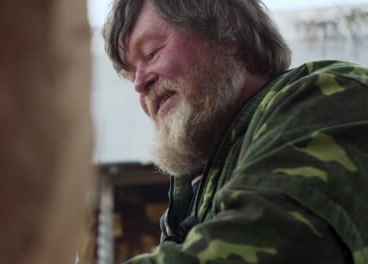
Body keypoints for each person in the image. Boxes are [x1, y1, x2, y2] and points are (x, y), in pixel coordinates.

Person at [102, 0, 368, 263]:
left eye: (152, 52)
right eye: (130, 75)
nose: (139, 83)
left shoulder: (327, 99)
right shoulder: (196, 189)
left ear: (227, 32)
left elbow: (258, 244)